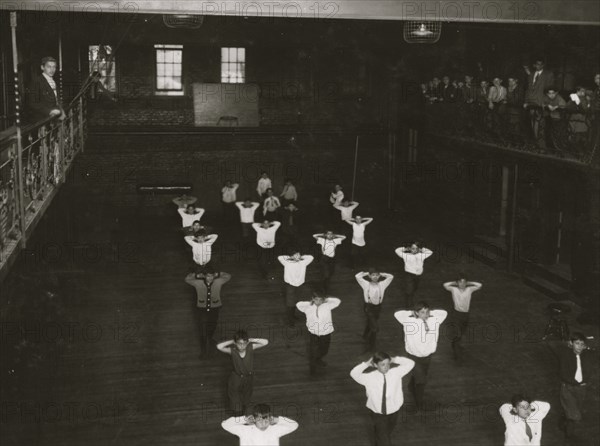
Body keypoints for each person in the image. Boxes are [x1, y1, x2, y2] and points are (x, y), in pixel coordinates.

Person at [350, 352, 415, 446]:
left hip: (394, 410)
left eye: (388, 364)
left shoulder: (396, 373)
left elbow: (411, 363)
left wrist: (394, 359)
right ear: (376, 365)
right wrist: (367, 363)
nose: (386, 367)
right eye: (383, 364)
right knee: (384, 439)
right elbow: (354, 373)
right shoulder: (369, 377)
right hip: (378, 413)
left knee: (385, 433)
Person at [394, 302, 447, 411]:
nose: (425, 314)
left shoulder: (434, 321)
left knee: (420, 376)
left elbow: (443, 313)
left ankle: (411, 385)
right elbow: (398, 314)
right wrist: (413, 313)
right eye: (422, 312)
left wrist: (427, 313)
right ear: (416, 313)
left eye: (427, 311)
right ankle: (419, 404)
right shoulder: (409, 322)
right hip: (413, 357)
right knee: (421, 380)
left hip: (427, 356)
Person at [545, 332, 592, 440]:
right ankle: (570, 436)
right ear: (572, 343)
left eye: (582, 344)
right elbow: (550, 342)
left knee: (574, 410)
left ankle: (564, 420)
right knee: (574, 414)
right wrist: (567, 343)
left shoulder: (587, 354)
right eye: (577, 343)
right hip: (568, 388)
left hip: (581, 388)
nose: (579, 346)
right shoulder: (564, 353)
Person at [217, 330, 269, 416]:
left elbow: (266, 342)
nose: (242, 346)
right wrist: (232, 341)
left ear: (247, 343)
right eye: (239, 343)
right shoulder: (232, 351)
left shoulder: (251, 347)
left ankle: (243, 412)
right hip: (236, 379)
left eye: (244, 343)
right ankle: (238, 415)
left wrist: (251, 340)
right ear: (235, 343)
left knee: (246, 398)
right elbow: (219, 346)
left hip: (248, 378)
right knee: (235, 399)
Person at [184, 267, 231, 358]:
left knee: (212, 326)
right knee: (202, 329)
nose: (210, 278)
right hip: (202, 309)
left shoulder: (218, 282)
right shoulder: (198, 283)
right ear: (204, 276)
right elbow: (187, 279)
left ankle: (209, 339)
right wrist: (197, 275)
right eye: (208, 276)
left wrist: (218, 273)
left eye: (212, 276)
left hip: (214, 308)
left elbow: (228, 276)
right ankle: (204, 351)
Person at [296, 291, 341, 376]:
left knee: (324, 350)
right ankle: (312, 370)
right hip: (313, 334)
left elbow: (337, 301)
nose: (318, 302)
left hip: (326, 333)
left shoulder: (327, 306)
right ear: (313, 299)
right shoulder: (308, 307)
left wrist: (326, 300)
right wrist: (310, 303)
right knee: (313, 352)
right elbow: (299, 304)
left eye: (321, 300)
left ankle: (318, 359)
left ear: (323, 300)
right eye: (316, 299)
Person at [442, 277, 483, 364]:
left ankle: (454, 344)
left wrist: (469, 282)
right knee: (458, 335)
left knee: (461, 332)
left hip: (465, 315)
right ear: (457, 283)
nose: (462, 284)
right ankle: (458, 358)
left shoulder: (469, 289)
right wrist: (454, 282)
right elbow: (445, 285)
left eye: (464, 282)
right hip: (456, 315)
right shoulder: (454, 289)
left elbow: (479, 285)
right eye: (460, 282)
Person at [221, 403, 298, 445]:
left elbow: (294, 425)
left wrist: (277, 419)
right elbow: (225, 424)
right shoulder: (244, 431)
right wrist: (244, 419)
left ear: (270, 419)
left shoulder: (275, 430)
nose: (263, 424)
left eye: (266, 421)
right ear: (254, 419)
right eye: (260, 421)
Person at [355, 269, 394, 351]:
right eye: (373, 275)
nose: (375, 277)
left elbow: (391, 277)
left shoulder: (382, 284)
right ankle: (371, 346)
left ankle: (365, 335)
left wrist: (382, 274)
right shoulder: (365, 284)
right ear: (369, 276)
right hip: (368, 307)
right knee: (375, 327)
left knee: (372, 322)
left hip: (378, 307)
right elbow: (357, 276)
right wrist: (367, 273)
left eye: (377, 275)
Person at [278, 250, 314, 327]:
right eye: (295, 255)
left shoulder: (303, 262)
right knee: (290, 303)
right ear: (291, 256)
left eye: (298, 254)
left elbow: (311, 257)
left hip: (300, 285)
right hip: (290, 286)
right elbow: (280, 257)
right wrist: (291, 257)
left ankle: (293, 316)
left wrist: (300, 257)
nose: (297, 256)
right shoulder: (287, 262)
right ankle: (290, 321)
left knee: (296, 301)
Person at [394, 242, 434, 308]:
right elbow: (397, 250)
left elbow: (430, 252)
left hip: (418, 276)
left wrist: (422, 250)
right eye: (413, 248)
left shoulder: (421, 255)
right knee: (409, 290)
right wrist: (405, 249)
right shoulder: (406, 255)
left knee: (414, 288)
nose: (414, 250)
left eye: (416, 248)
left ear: (418, 249)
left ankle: (410, 296)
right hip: (409, 275)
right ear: (410, 248)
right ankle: (409, 307)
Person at [27, 56, 65, 122]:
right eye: (49, 67)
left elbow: (56, 99)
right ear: (42, 67)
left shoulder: (53, 81)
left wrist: (60, 110)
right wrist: (49, 111)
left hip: (54, 117)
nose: (52, 69)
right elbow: (33, 103)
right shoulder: (37, 81)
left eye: (54, 67)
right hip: (42, 119)